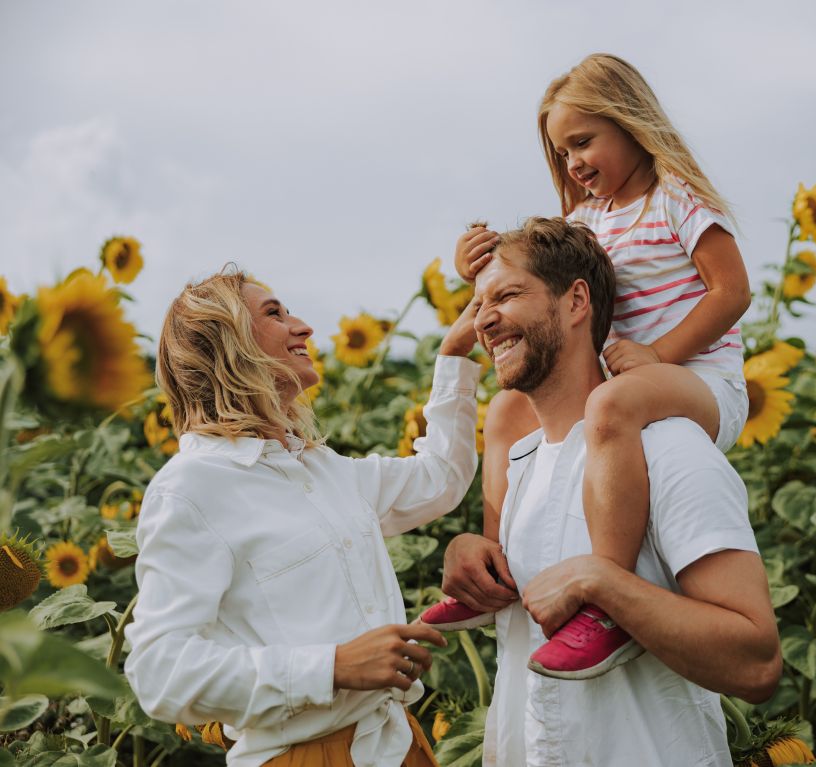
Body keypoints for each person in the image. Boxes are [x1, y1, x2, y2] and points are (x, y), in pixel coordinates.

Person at [425, 53, 753, 679]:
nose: (573, 162)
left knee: (609, 406)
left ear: (631, 124)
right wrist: (480, 264)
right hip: (627, 380)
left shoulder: (676, 200)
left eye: (583, 142)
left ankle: (607, 594)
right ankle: (497, 564)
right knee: (506, 410)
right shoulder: (588, 219)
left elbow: (731, 292)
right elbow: (543, 268)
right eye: (562, 151)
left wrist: (659, 355)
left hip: (702, 381)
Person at [439, 218, 780, 765]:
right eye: (478, 305)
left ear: (576, 301)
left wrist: (605, 584)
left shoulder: (668, 450)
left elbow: (756, 662)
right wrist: (476, 557)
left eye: (506, 295)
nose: (485, 319)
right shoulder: (520, 460)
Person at [124, 267, 481, 767]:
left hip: (399, 745)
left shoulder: (320, 469)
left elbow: (442, 477)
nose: (304, 327)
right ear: (226, 344)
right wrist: (332, 667)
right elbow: (159, 672)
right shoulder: (191, 488)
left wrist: (453, 357)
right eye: (275, 314)